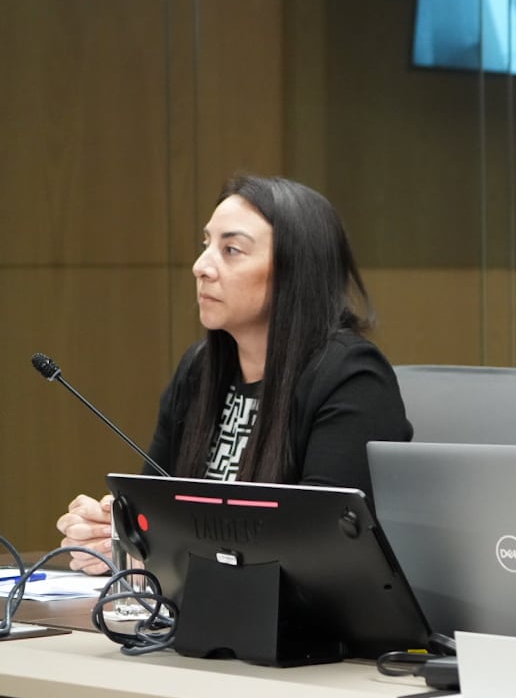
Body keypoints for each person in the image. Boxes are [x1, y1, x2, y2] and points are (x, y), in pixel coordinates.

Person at [56, 175, 412, 574]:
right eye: (206, 244)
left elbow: (322, 553)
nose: (201, 267)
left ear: (295, 271)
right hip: (202, 626)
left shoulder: (352, 379)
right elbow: (156, 516)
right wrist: (117, 536)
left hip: (309, 633)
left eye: (232, 249)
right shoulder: (199, 371)